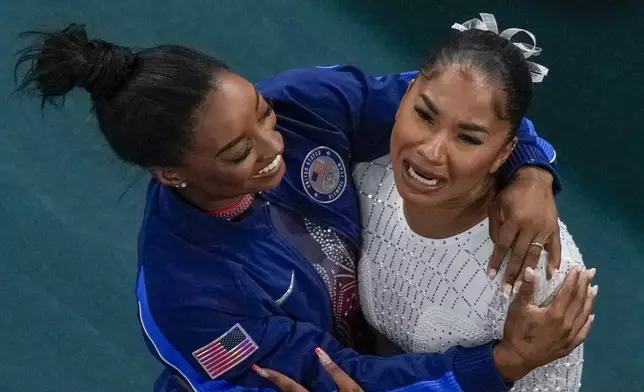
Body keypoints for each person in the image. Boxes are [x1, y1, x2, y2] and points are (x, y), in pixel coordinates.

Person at [14, 22, 593, 392]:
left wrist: (533, 168)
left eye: (262, 113)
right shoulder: (187, 293)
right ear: (172, 174)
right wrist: (501, 365)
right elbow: (345, 382)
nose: (274, 149)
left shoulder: (301, 102)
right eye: (239, 153)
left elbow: (450, 95)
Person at [352, 14, 595, 391]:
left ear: (504, 154)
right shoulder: (364, 172)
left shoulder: (541, 267)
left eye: (467, 138)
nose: (430, 152)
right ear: (406, 93)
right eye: (424, 115)